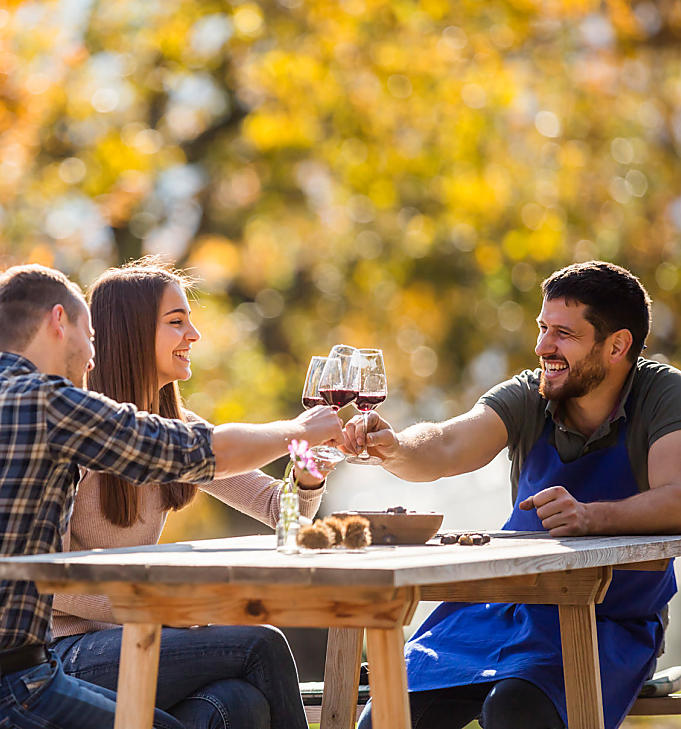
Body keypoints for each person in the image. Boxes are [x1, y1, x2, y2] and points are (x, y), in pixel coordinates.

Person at [0, 263, 343, 729]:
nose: (195, 334)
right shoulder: (73, 419)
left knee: (238, 703)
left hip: (130, 639)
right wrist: (159, 607)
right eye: (176, 321)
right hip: (69, 648)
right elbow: (48, 574)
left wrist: (307, 462)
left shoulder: (168, 426)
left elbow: (279, 511)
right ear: (130, 332)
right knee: (260, 645)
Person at [346, 261, 681, 729]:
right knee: (388, 715)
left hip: (608, 621)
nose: (544, 346)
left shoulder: (662, 393)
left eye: (564, 333)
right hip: (498, 609)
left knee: (515, 710)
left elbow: (677, 499)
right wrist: (393, 446)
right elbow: (446, 445)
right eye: (543, 327)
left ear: (617, 346)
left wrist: (589, 517)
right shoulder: (532, 392)